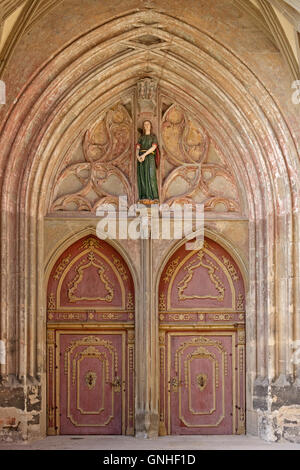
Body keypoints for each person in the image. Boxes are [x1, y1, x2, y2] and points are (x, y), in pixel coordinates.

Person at [136, 120, 159, 203]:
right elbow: (138, 148)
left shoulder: (153, 137)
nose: (146, 125)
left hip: (149, 157)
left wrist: (144, 155)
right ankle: (144, 196)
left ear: (150, 126)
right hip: (141, 159)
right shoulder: (141, 137)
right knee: (142, 176)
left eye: (148, 124)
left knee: (150, 175)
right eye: (144, 124)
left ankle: (153, 197)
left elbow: (154, 147)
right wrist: (138, 156)